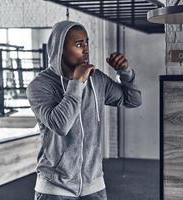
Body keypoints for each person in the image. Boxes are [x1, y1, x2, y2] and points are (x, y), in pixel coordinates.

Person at [26, 20, 141, 200]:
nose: (86, 49)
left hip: (93, 185)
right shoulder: (39, 86)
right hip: (55, 189)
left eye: (87, 43)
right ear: (60, 49)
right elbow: (60, 125)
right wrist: (77, 83)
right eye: (79, 44)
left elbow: (133, 100)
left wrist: (125, 73)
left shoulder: (96, 80)